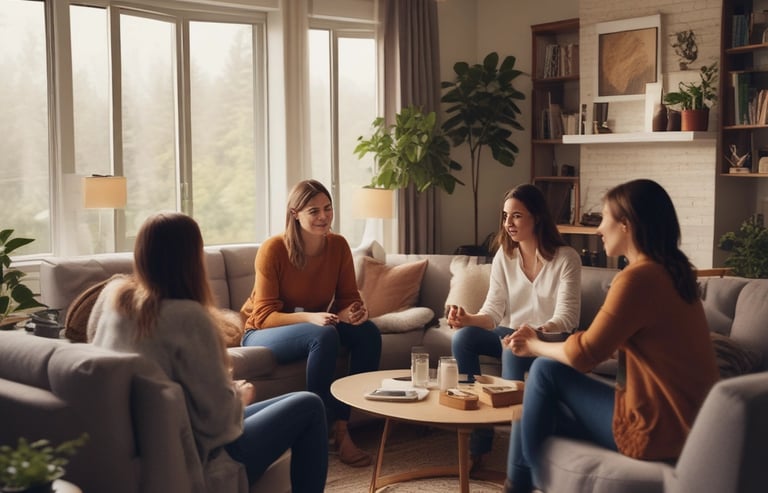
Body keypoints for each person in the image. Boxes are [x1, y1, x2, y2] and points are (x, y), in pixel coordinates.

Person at [503, 179, 720, 493]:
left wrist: (533, 344)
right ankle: (520, 486)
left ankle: (523, 486)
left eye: (604, 218)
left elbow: (584, 355)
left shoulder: (638, 278)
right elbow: (624, 348)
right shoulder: (674, 272)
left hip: (657, 431)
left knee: (544, 371)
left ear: (627, 225)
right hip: (688, 426)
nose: (598, 229)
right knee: (529, 414)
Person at [89, 212, 328, 492]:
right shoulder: (188, 316)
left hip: (144, 445)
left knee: (295, 401)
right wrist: (239, 395)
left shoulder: (113, 297)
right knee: (310, 405)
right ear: (192, 258)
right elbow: (219, 424)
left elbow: (95, 349)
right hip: (203, 454)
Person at [241, 179, 382, 467]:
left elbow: (347, 299)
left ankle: (342, 429)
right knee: (325, 334)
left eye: (327, 209)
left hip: (316, 326)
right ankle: (315, 432)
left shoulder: (339, 245)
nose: (323, 217)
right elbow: (264, 315)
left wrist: (354, 313)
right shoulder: (273, 249)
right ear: (295, 213)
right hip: (262, 332)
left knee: (367, 333)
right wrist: (311, 317)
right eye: (313, 211)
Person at [447, 183, 581, 469]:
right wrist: (466, 319)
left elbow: (567, 318)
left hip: (549, 337)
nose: (508, 223)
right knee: (463, 339)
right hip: (510, 331)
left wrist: (532, 334)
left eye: (517, 216)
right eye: (506, 216)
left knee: (513, 350)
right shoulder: (504, 258)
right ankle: (480, 441)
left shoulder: (566, 259)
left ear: (537, 218)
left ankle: (516, 459)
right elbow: (493, 312)